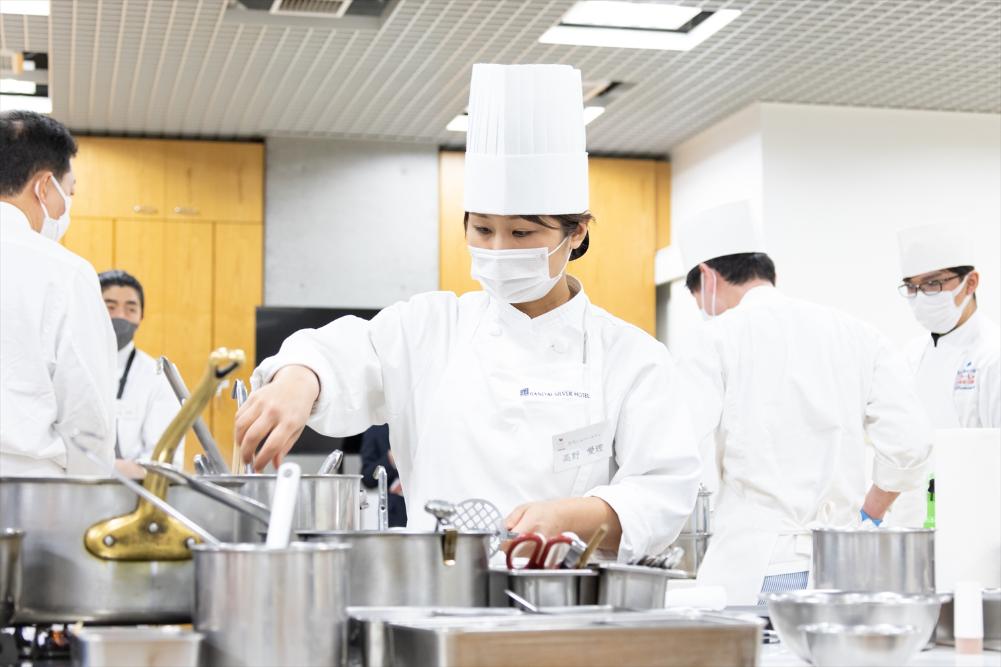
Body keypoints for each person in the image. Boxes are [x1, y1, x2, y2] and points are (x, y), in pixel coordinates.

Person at [235, 64, 701, 559]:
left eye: (522, 234)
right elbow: (343, 353)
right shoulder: (431, 326)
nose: (499, 250)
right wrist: (298, 379)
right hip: (435, 598)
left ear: (577, 232)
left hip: (563, 602)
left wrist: (574, 515)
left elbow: (663, 488)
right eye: (482, 230)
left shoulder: (629, 355)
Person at [676, 200, 931, 604]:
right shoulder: (858, 334)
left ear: (706, 277)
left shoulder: (715, 338)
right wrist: (871, 511)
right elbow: (910, 445)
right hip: (844, 566)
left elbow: (683, 452)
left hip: (755, 566)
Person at [0, 110, 117, 475]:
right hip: (25, 500)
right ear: (43, 186)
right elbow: (88, 418)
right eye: (68, 193)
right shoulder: (63, 272)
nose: (66, 207)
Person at [897, 223, 1000, 428]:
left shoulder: (993, 355)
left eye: (933, 283)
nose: (920, 296)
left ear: (970, 282)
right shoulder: (911, 356)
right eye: (911, 286)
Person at [99, 269, 184, 464]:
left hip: (133, 491)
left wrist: (112, 470)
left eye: (131, 309)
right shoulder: (68, 368)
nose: (120, 316)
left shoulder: (158, 376)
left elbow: (163, 460)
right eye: (110, 307)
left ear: (141, 316)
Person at [360, 424, 407, 528]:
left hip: (428, 503)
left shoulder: (423, 422)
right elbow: (367, 477)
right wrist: (390, 458)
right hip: (397, 512)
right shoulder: (375, 430)